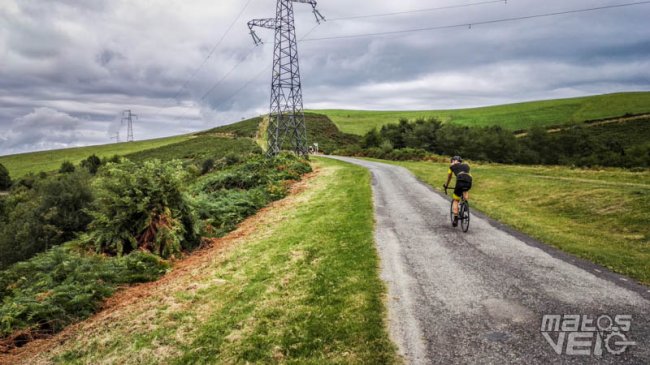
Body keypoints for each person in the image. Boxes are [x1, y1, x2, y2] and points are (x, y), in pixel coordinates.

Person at [444, 156, 472, 227]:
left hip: (460, 181)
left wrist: (446, 185)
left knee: (456, 200)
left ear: (453, 161)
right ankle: (465, 203)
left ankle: (456, 218)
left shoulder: (452, 166)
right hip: (469, 180)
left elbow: (449, 177)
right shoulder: (466, 165)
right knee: (465, 189)